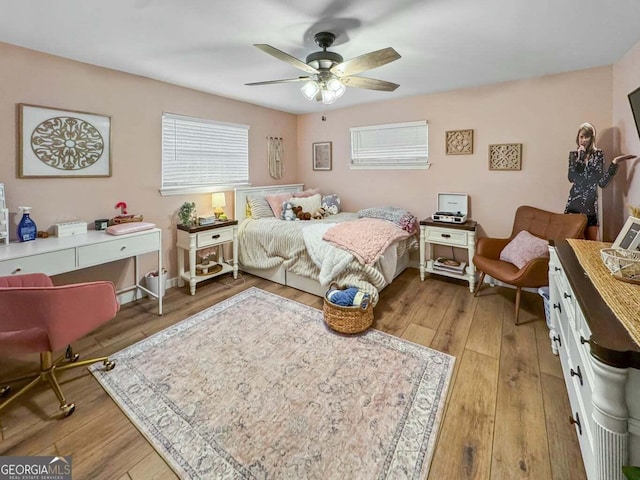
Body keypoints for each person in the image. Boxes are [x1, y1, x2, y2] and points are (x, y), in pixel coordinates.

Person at [564, 122, 637, 240]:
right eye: (581, 136)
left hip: (590, 205)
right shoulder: (573, 155)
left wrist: (614, 163)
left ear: (591, 138)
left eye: (586, 136)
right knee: (572, 242)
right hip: (574, 204)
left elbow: (602, 183)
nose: (583, 140)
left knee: (592, 243)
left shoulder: (598, 155)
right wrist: (581, 157)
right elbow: (572, 178)